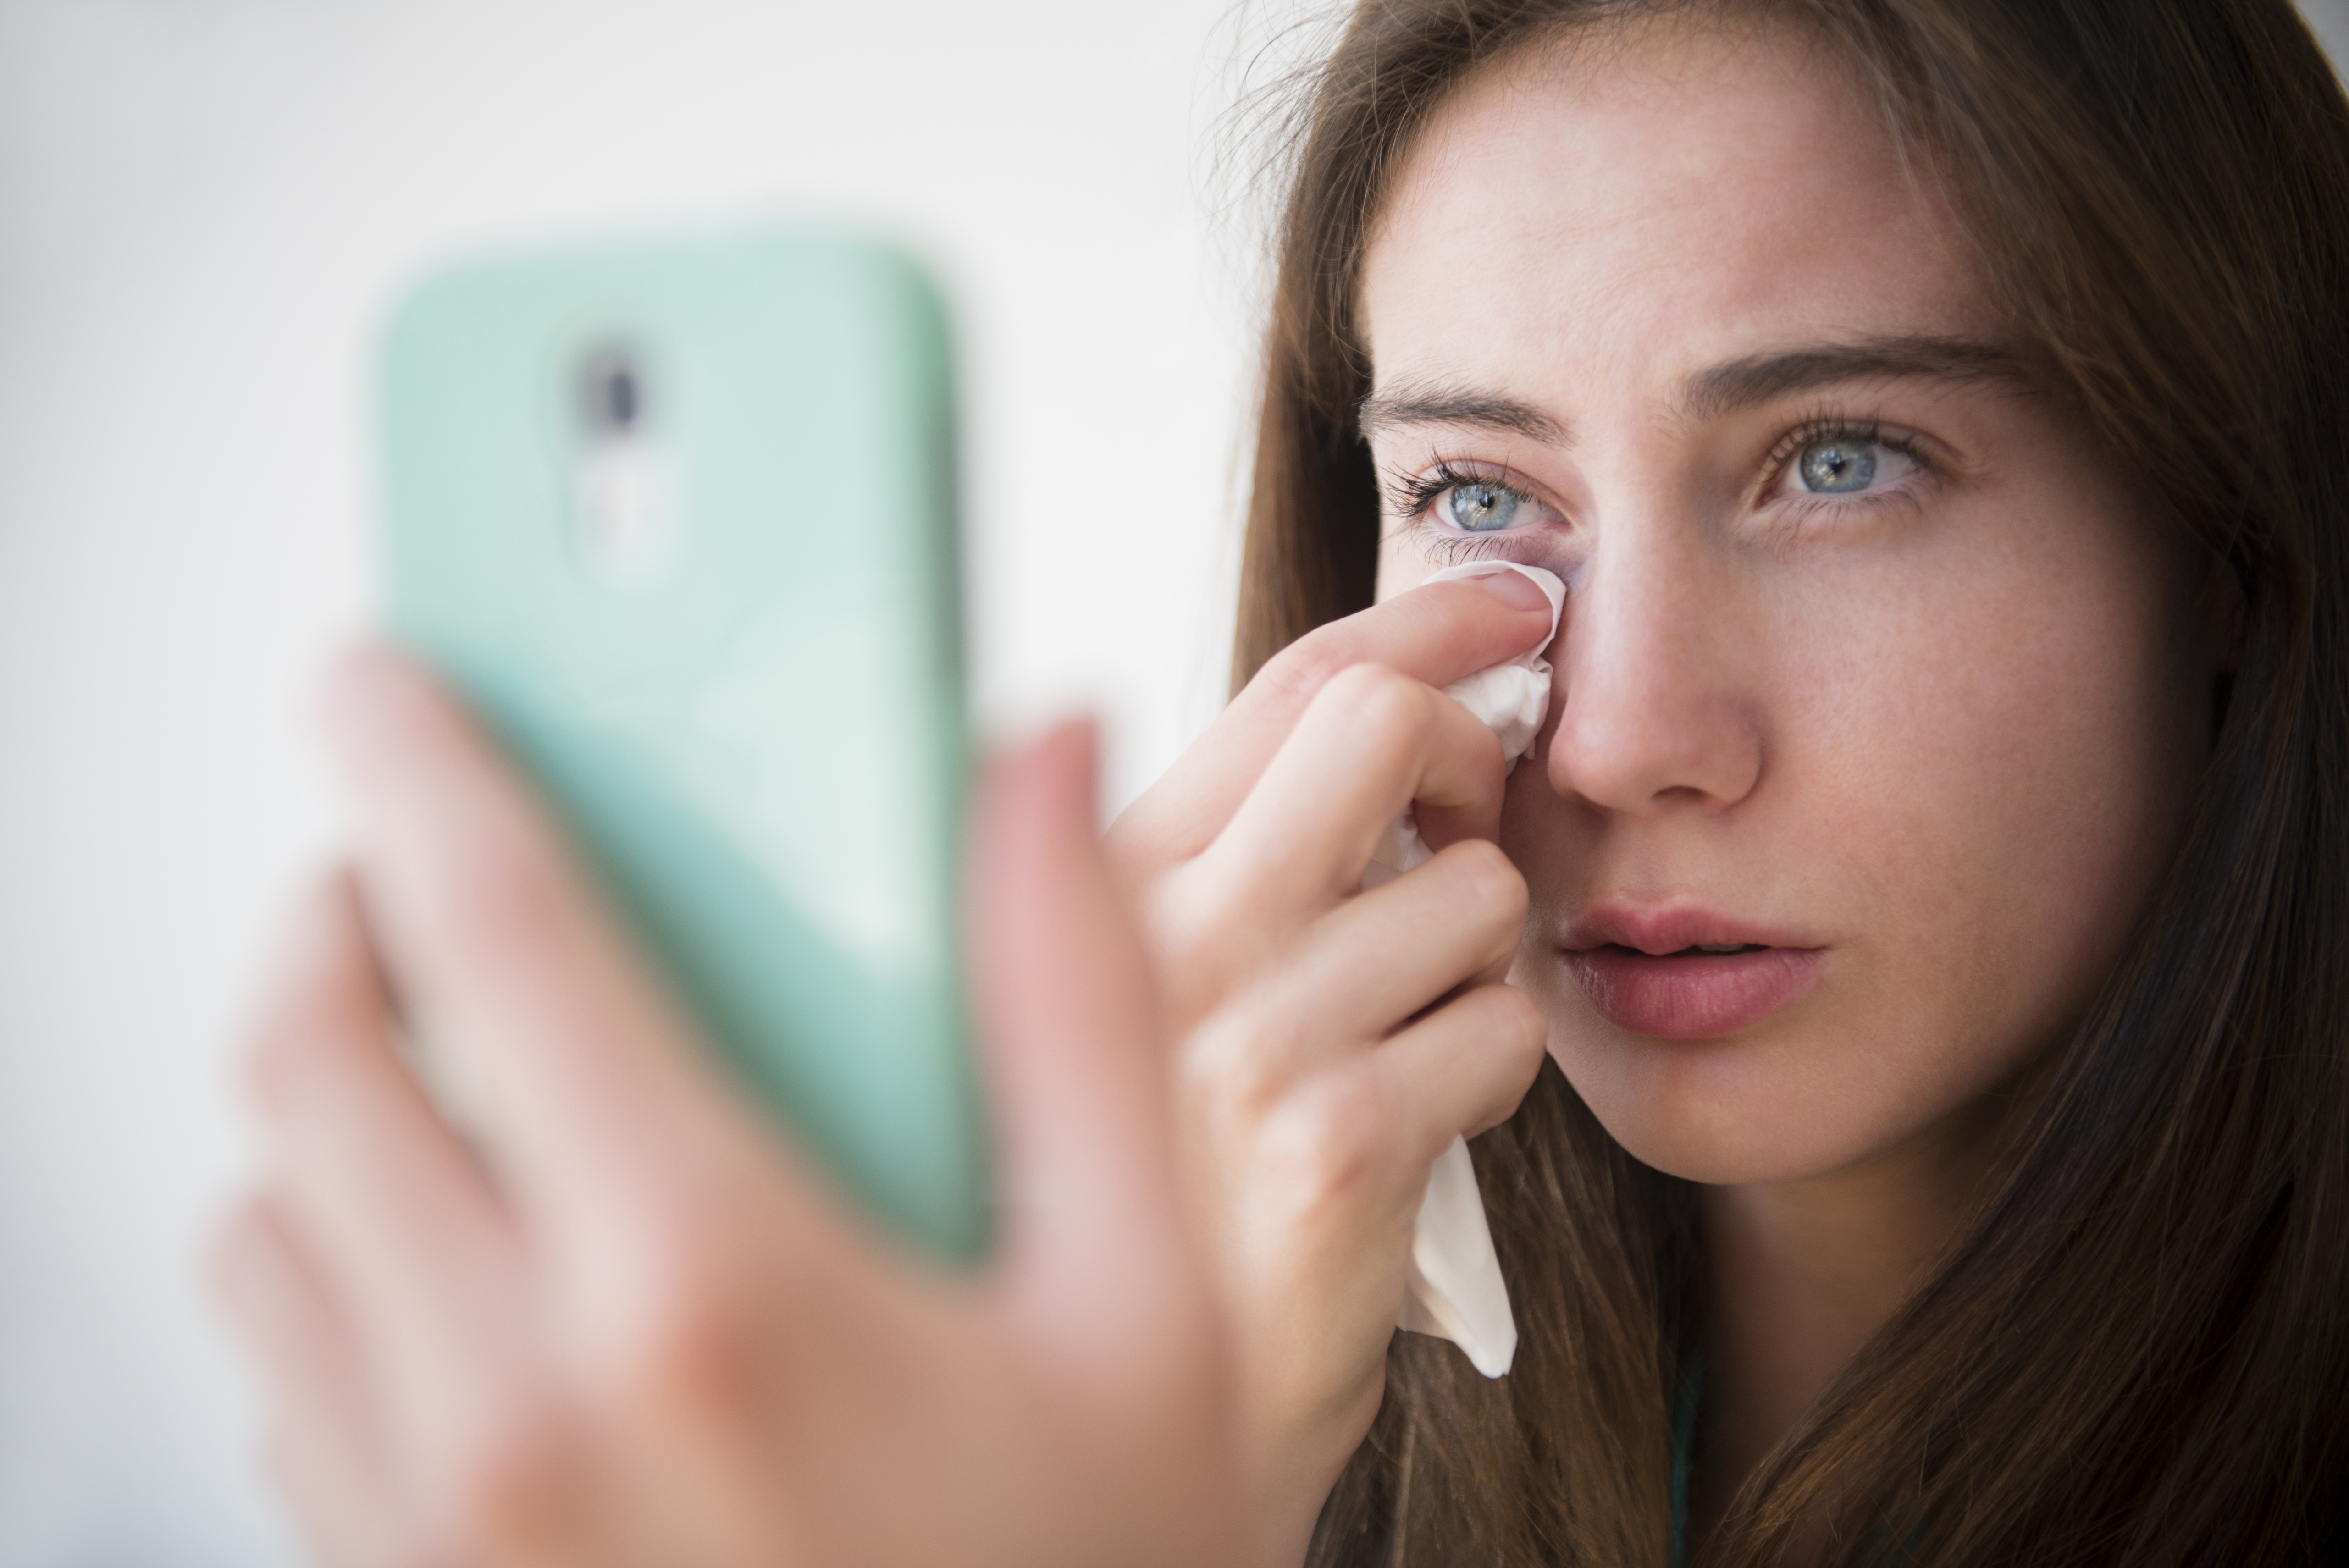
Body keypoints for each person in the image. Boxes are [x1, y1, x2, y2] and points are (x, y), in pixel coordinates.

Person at [214, 1, 2349, 1565]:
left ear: (2237, 542)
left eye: (1842, 461)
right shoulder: (1257, 1426)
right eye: (1477, 489)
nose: (1614, 741)